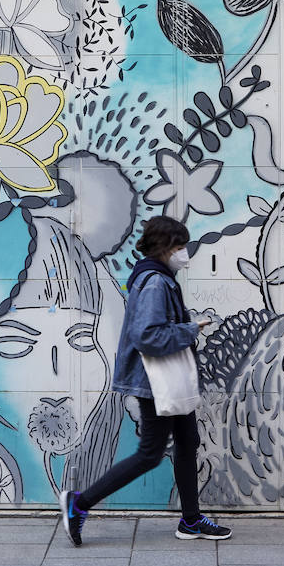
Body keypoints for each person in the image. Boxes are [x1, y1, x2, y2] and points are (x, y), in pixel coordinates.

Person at [59, 216, 232, 545]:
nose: (185, 253)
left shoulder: (158, 277)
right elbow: (148, 336)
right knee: (150, 453)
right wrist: (191, 329)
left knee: (187, 442)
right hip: (154, 382)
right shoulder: (154, 282)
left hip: (169, 379)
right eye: (180, 247)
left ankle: (191, 521)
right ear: (165, 248)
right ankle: (78, 505)